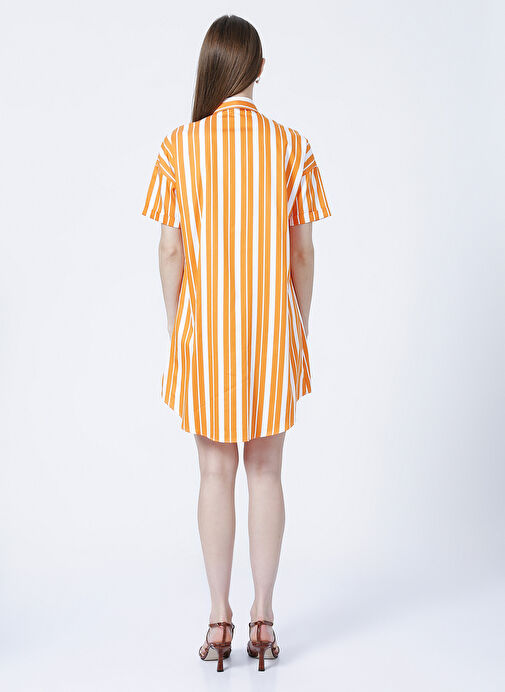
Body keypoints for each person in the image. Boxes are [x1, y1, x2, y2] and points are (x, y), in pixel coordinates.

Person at [141, 14, 331, 672]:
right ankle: (263, 617)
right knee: (267, 472)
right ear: (259, 70)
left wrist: (180, 327)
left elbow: (170, 251)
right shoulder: (292, 146)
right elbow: (302, 254)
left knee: (214, 473)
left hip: (206, 336)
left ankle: (218, 618)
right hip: (272, 333)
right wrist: (297, 324)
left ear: (211, 67)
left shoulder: (178, 146)